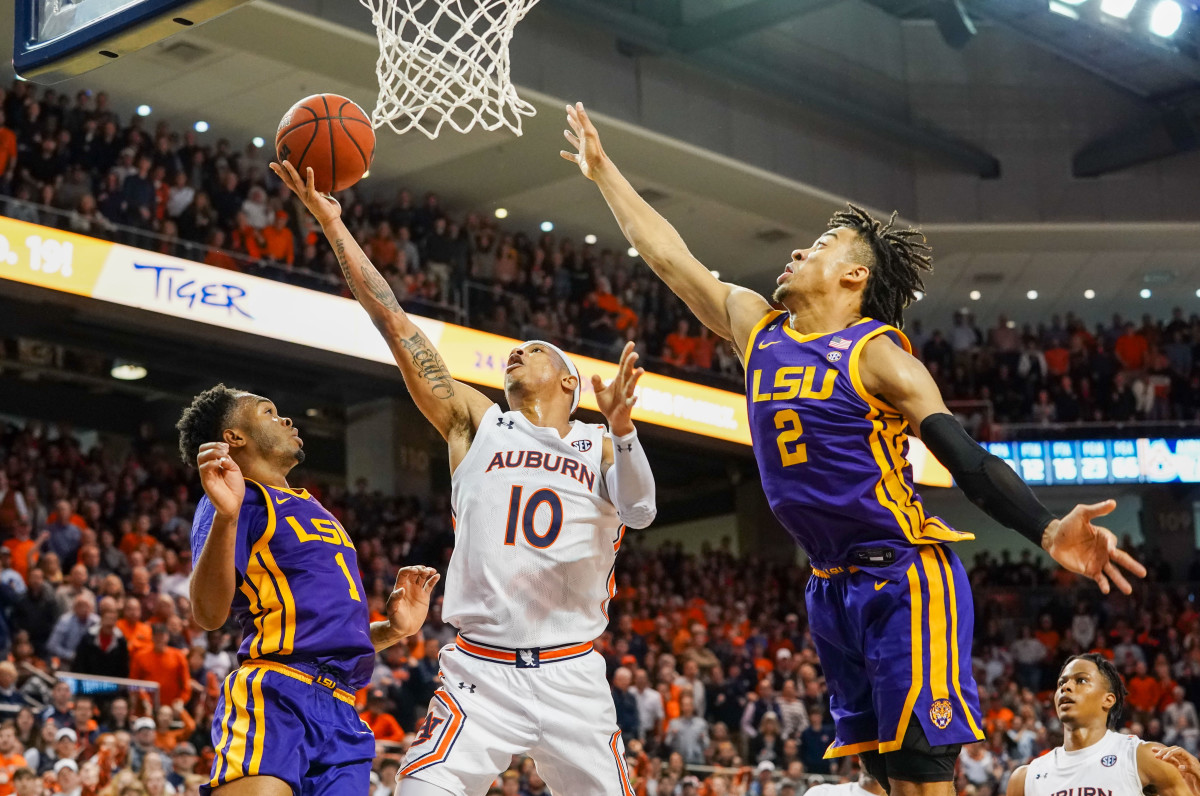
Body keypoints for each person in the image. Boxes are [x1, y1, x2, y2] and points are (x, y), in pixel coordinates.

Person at [562, 101, 1147, 793]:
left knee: (923, 782)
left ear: (853, 278)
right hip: (829, 586)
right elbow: (669, 257)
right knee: (882, 781)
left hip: (904, 577)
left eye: (819, 246)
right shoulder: (759, 329)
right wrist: (604, 175)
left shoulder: (879, 357)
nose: (797, 251)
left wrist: (1045, 527)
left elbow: (966, 460)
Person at [270, 159, 657, 796]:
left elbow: (639, 512)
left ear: (569, 382)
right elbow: (396, 323)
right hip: (482, 671)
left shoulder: (599, 441)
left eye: (533, 350)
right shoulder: (479, 424)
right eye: (515, 349)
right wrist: (333, 226)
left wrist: (623, 431)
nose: (516, 350)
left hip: (571, 674)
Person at [177, 383, 440, 795]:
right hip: (277, 693)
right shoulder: (234, 498)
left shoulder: (317, 510)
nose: (285, 418)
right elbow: (208, 614)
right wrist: (227, 517)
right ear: (234, 437)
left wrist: (392, 630)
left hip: (342, 709)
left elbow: (323, 640)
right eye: (268, 411)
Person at [1008, 654, 1190, 796]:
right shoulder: (1025, 778)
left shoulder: (1144, 757)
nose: (1065, 687)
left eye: (1081, 680)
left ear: (1108, 700)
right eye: (1061, 683)